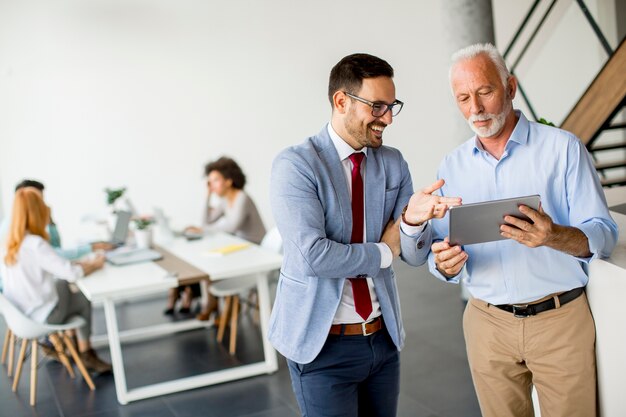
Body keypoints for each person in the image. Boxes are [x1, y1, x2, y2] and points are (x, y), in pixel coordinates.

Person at [423, 43, 618, 417]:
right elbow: (441, 252)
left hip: (559, 323)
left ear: (510, 87)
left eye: (485, 92)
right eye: (463, 98)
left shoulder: (563, 149)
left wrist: (554, 236)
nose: (475, 109)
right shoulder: (452, 166)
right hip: (486, 324)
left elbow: (604, 233)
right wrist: (444, 265)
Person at [269, 53, 461, 417]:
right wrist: (385, 252)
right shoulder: (296, 165)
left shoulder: (392, 162)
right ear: (341, 101)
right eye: (377, 106)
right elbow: (315, 257)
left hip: (382, 341)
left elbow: (416, 255)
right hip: (321, 345)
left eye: (391, 107)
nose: (387, 118)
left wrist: (412, 224)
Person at [2, 187, 113, 374]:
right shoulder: (35, 244)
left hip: (20, 316)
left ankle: (72, 345)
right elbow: (72, 274)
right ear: (38, 211)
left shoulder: (7, 244)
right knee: (82, 298)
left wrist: (79, 264)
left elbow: (55, 266)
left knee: (62, 285)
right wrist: (95, 264)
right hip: (43, 317)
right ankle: (86, 352)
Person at [164, 157, 267, 320]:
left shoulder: (242, 197)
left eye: (215, 180)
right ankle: (215, 305)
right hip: (241, 247)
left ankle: (216, 306)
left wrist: (203, 229)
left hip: (255, 249)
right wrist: (207, 196)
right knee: (208, 260)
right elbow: (207, 221)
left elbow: (231, 226)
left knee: (213, 264)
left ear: (228, 181)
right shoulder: (226, 200)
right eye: (209, 181)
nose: (211, 185)